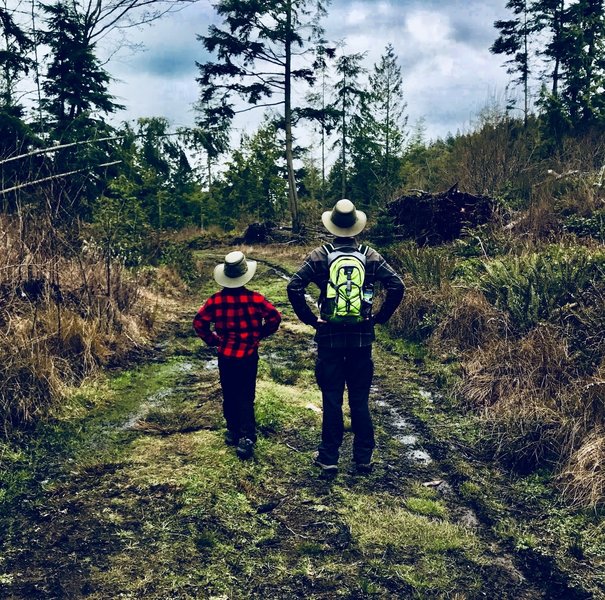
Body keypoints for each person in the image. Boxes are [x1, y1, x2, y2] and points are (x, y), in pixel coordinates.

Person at [287, 199, 404, 475]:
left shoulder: (319, 255)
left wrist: (310, 319)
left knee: (331, 398)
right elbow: (397, 285)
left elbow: (294, 286)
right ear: (356, 226)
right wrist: (379, 317)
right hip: (362, 338)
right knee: (360, 399)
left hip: (328, 337)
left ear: (332, 226)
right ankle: (363, 458)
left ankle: (329, 457)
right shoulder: (370, 255)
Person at [193, 251, 281, 460]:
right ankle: (247, 436)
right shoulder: (255, 299)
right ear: (244, 275)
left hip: (226, 355)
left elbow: (199, 323)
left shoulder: (215, 301)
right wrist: (259, 334)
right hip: (249, 355)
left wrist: (215, 340)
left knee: (229, 391)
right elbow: (275, 318)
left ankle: (232, 430)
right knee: (246, 395)